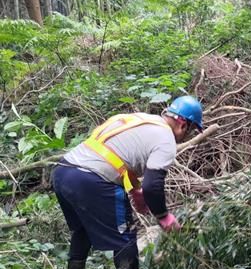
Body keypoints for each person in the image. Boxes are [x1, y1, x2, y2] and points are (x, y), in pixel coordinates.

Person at [52, 96, 203, 269]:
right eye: (190, 131)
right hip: (90, 179)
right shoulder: (166, 139)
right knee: (124, 239)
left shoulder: (143, 119)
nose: (186, 136)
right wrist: (163, 216)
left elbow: (114, 155)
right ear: (183, 124)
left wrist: (135, 190)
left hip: (62, 171)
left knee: (82, 231)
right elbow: (153, 186)